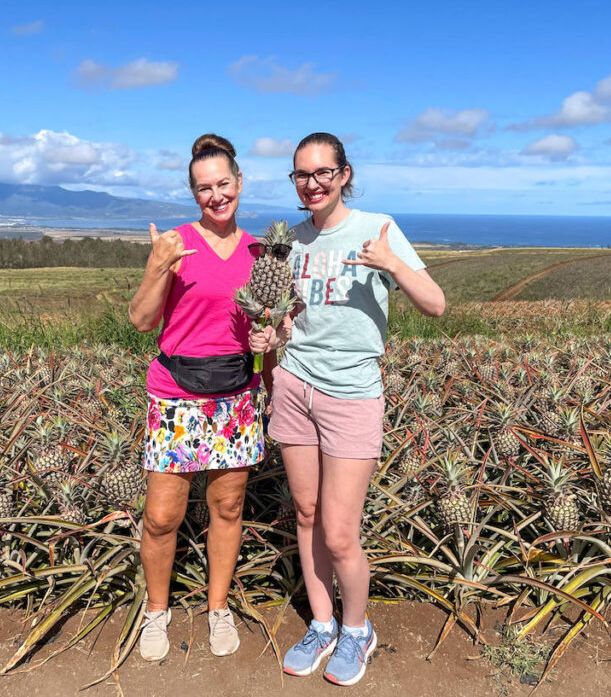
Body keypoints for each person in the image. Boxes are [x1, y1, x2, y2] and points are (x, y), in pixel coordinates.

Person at [255, 132, 446, 686]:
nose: (311, 184)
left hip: (352, 395)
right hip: (294, 387)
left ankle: (357, 630)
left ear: (343, 174)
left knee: (339, 533)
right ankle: (321, 623)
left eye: (322, 173)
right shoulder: (290, 240)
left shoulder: (377, 229)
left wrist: (392, 264)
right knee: (307, 515)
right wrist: (274, 335)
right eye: (301, 175)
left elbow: (436, 305)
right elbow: (290, 317)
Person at [128, 133, 267, 661]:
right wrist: (157, 264)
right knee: (163, 516)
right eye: (204, 188)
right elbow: (142, 321)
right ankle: (156, 613)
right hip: (176, 394)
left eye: (224, 184)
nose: (216, 195)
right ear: (193, 193)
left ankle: (217, 608)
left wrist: (269, 353)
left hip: (236, 394)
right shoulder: (176, 244)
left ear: (239, 183)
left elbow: (271, 328)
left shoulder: (260, 252)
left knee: (227, 507)